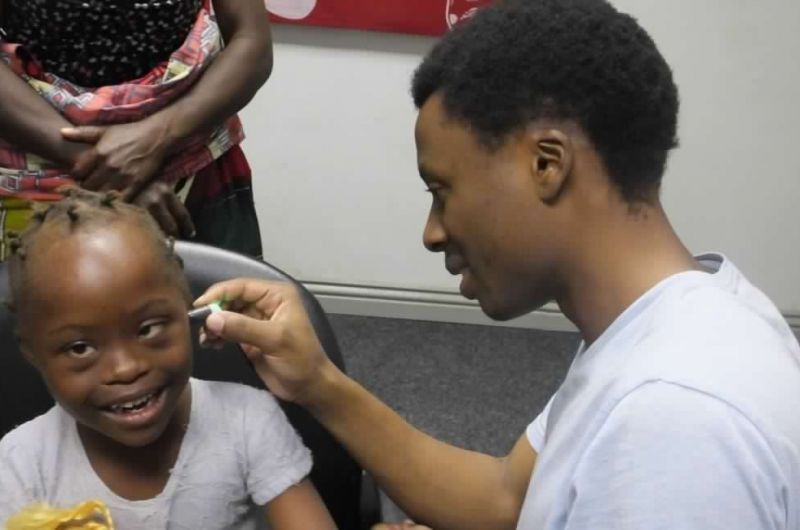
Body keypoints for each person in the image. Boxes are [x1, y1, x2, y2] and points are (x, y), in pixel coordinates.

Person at [192, 1, 800, 529]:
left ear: (547, 164)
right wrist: (317, 382)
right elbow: (506, 499)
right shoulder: (677, 320)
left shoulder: (675, 420)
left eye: (442, 191)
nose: (432, 233)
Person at [0, 189, 336, 529]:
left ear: (186, 306)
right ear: (32, 353)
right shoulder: (21, 465)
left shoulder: (247, 420)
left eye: (148, 329)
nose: (126, 369)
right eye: (80, 348)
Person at [0, 0, 270, 259]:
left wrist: (157, 137)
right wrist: (107, 168)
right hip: (37, 166)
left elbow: (251, 40)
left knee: (216, 289)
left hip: (192, 165)